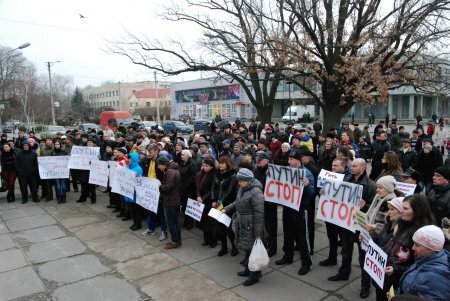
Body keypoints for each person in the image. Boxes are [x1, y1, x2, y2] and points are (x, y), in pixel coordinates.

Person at [371, 195, 435, 301]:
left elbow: (419, 265)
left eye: (405, 208)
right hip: (384, 278)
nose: (402, 211)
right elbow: (388, 246)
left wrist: (396, 270)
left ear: (417, 211)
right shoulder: (400, 224)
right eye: (402, 207)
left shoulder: (423, 235)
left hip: (400, 284)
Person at [222, 168, 264, 286]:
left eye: (241, 180)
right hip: (243, 223)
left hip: (251, 225)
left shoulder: (256, 192)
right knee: (247, 249)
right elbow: (237, 202)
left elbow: (259, 214)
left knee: (253, 251)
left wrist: (258, 233)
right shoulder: (242, 188)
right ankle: (247, 270)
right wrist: (226, 208)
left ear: (248, 180)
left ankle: (254, 275)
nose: (239, 183)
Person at [398, 225, 450, 300]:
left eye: (417, 245)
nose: (413, 248)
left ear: (432, 249)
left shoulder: (436, 278)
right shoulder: (424, 259)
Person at [156, 155, 182, 249]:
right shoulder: (172, 170)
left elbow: (168, 187)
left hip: (170, 200)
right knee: (174, 221)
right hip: (173, 199)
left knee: (171, 222)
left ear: (164, 164)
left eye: (159, 165)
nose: (158, 167)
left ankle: (175, 241)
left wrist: (159, 186)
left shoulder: (169, 172)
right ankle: (177, 240)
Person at [216, 156, 238, 256]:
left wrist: (220, 202)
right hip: (219, 204)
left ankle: (234, 247)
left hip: (228, 204)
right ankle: (224, 247)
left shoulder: (233, 176)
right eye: (220, 162)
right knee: (220, 227)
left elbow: (229, 192)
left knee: (228, 228)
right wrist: (215, 200)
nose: (220, 164)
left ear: (228, 164)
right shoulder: (219, 174)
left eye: (223, 163)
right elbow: (215, 188)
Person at [195, 154, 219, 248]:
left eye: (207, 166)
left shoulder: (214, 175)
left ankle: (213, 241)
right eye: (204, 165)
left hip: (210, 201)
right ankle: (206, 240)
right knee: (204, 221)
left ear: (212, 166)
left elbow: (212, 190)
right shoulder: (200, 174)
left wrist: (202, 198)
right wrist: (198, 195)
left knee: (211, 222)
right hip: (202, 200)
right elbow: (197, 186)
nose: (204, 167)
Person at [179, 149, 198, 230]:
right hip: (182, 188)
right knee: (184, 207)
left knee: (188, 207)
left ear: (187, 156)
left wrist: (185, 186)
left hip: (189, 190)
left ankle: (189, 224)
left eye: (183, 155)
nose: (181, 156)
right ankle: (185, 222)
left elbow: (192, 177)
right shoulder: (183, 163)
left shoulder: (192, 164)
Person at [126, 152, 144, 231]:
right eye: (128, 158)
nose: (129, 159)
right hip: (129, 191)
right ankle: (134, 222)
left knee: (136, 209)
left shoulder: (138, 168)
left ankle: (138, 223)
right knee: (132, 209)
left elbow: (139, 181)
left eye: (130, 158)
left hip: (135, 192)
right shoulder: (127, 167)